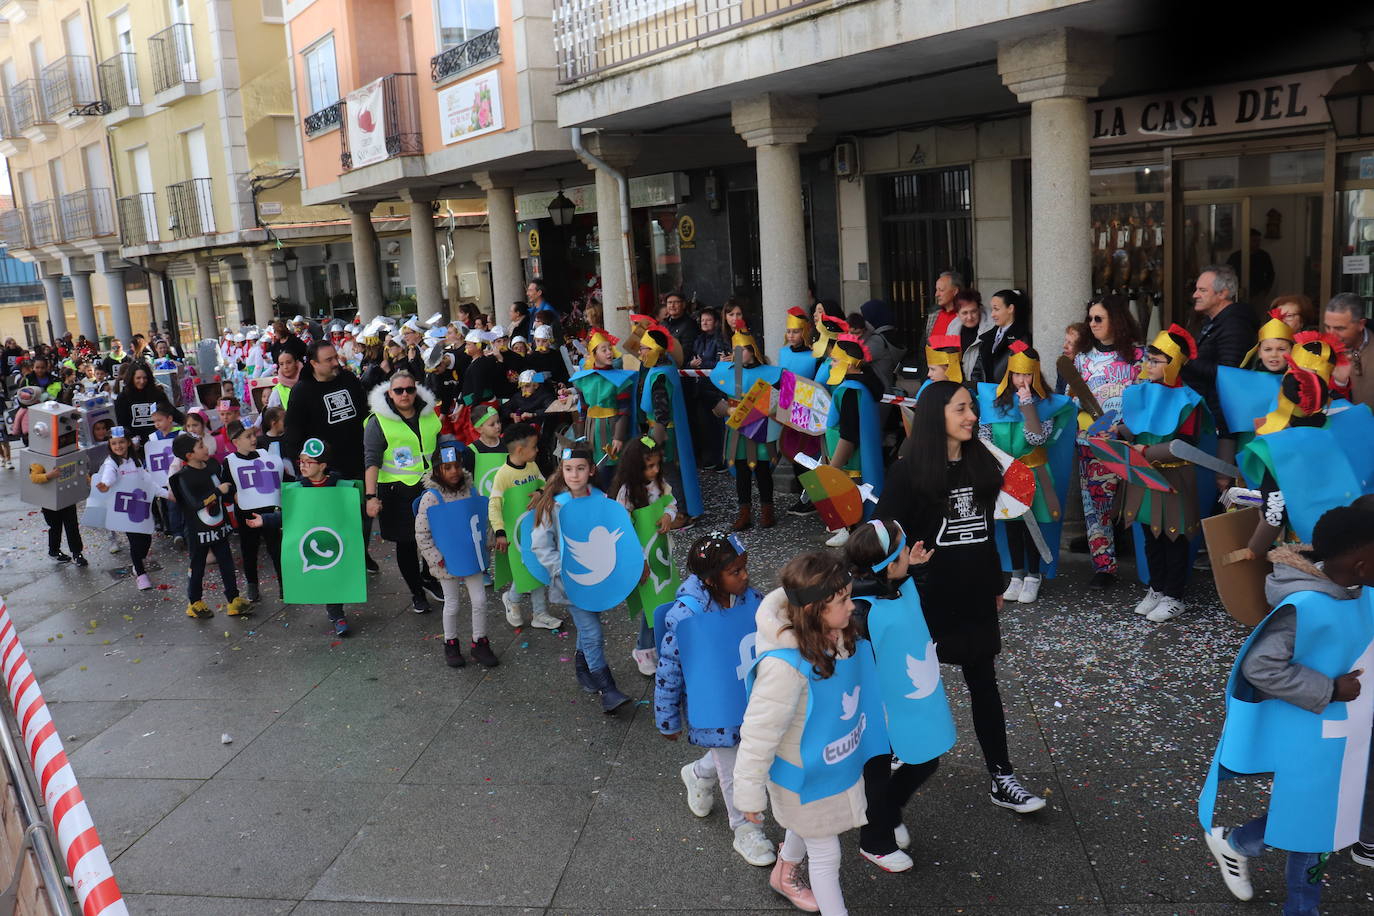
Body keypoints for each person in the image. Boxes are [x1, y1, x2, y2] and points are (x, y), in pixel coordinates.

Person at [877, 381, 1046, 814]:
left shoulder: (983, 465)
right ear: (937, 416)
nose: (972, 416)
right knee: (908, 684)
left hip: (972, 592)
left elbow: (987, 534)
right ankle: (896, 765)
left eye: (972, 408)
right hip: (922, 597)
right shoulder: (907, 471)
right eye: (961, 409)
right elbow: (881, 536)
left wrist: (995, 585)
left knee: (984, 682)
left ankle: (1001, 775)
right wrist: (906, 565)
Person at [1200, 500, 1374, 915]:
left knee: (1335, 811)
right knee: (1316, 820)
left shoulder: (1359, 593)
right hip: (1319, 730)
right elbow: (1260, 666)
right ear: (1363, 565)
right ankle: (1299, 906)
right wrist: (1328, 687)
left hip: (1352, 728)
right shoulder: (1306, 606)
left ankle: (1239, 842)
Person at [734, 551, 883, 915]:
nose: (852, 606)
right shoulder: (784, 668)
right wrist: (749, 795)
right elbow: (758, 733)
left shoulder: (838, 635)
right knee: (826, 853)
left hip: (830, 762)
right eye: (843, 599)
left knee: (807, 826)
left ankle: (784, 873)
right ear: (816, 609)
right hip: (802, 773)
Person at [656, 533, 773, 868]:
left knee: (741, 755)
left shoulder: (752, 600)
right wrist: (667, 717)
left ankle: (698, 773)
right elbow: (670, 667)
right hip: (716, 707)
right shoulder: (686, 615)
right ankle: (745, 829)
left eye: (743, 568)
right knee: (735, 769)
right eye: (736, 572)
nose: (745, 576)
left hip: (749, 696)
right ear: (710, 580)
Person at [845, 519, 948, 873]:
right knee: (876, 772)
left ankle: (887, 813)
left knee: (926, 756)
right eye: (904, 551)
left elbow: (911, 609)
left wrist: (913, 570)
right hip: (878, 709)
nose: (910, 551)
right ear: (888, 565)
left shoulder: (893, 583)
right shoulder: (861, 609)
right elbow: (855, 664)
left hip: (908, 700)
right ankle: (875, 842)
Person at [1117, 326, 1210, 623]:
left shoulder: (1189, 400)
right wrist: (1117, 431)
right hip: (1144, 476)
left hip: (1174, 478)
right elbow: (1135, 426)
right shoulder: (1140, 392)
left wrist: (1147, 452)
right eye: (1148, 359)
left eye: (1156, 360)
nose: (1148, 365)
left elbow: (1185, 445)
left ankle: (1174, 595)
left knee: (1174, 536)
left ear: (1174, 364)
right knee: (1149, 533)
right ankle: (1156, 588)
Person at [529, 446, 632, 712]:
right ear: (561, 471)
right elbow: (541, 544)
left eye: (581, 468)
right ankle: (607, 688)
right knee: (592, 631)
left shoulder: (600, 498)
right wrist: (559, 571)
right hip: (569, 583)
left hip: (597, 581)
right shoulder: (554, 505)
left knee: (589, 626)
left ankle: (582, 665)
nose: (574, 475)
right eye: (568, 469)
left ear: (592, 469)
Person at [978, 343, 1074, 603]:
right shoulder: (993, 401)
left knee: (1033, 526)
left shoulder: (1047, 404)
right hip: (1005, 472)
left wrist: (1028, 406)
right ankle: (1017, 575)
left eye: (1027, 374)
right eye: (1017, 374)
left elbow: (1036, 437)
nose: (1022, 380)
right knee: (1011, 525)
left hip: (1034, 472)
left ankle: (1034, 576)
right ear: (1009, 373)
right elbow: (984, 436)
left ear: (1036, 374)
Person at [1071, 293, 1144, 589]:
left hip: (1131, 441)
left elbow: (1146, 400)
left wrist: (1125, 429)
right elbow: (1070, 399)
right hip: (1091, 442)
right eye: (1090, 319)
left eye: (1098, 318)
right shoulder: (1081, 358)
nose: (1092, 324)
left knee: (1139, 505)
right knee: (1096, 506)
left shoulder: (1139, 356)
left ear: (1117, 319)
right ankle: (1104, 567)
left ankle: (1150, 567)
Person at [247, 439, 353, 637]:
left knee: (334, 575)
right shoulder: (297, 489)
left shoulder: (338, 483)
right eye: (301, 461)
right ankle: (334, 612)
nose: (303, 465)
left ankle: (336, 614)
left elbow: (351, 507)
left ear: (322, 466)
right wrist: (265, 520)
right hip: (311, 541)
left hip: (334, 538)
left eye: (308, 461)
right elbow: (288, 515)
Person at [415, 440, 498, 668]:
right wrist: (436, 558)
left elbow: (482, 521)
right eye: (447, 467)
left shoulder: (471, 491)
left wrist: (487, 543)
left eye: (456, 466)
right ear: (437, 470)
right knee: (452, 603)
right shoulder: (431, 498)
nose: (453, 472)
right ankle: (450, 643)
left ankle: (479, 642)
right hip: (445, 560)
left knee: (480, 600)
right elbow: (422, 534)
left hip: (470, 556)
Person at [364, 371, 442, 614]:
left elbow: (437, 449)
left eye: (409, 389)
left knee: (436, 537)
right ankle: (416, 592)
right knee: (407, 543)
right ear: (390, 393)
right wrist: (370, 496)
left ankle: (428, 577)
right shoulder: (378, 421)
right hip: (396, 490)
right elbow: (371, 460)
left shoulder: (429, 415)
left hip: (430, 485)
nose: (405, 394)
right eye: (399, 390)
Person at [1181, 265, 1256, 488]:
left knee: (1221, 485)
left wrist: (1185, 361)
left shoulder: (1234, 323)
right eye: (1196, 289)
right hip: (1209, 415)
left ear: (1222, 293)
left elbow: (1229, 375)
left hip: (1221, 420)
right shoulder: (1213, 321)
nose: (1195, 295)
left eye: (1202, 290)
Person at [610, 436, 678, 675]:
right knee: (652, 602)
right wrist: (638, 561)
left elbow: (672, 502)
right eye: (649, 466)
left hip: (661, 553)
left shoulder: (660, 484)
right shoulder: (627, 493)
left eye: (657, 464)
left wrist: (669, 515)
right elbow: (622, 527)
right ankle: (643, 648)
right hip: (641, 557)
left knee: (664, 599)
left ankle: (658, 645)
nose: (655, 470)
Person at [489, 422, 561, 631]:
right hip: (514, 535)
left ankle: (540, 613)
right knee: (524, 571)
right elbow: (494, 505)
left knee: (537, 569)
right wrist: (500, 532)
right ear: (520, 450)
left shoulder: (531, 466)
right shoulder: (503, 475)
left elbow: (543, 483)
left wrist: (540, 493)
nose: (538, 450)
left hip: (535, 530)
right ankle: (511, 599)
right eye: (534, 446)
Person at [708, 325, 781, 531]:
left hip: (760, 426)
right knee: (741, 470)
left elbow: (780, 398)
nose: (739, 354)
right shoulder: (727, 372)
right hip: (737, 427)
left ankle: (768, 510)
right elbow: (712, 397)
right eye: (736, 350)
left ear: (754, 350)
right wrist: (723, 409)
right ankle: (745, 513)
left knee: (763, 469)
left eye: (744, 349)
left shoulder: (770, 373)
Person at [170, 433, 249, 620]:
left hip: (218, 527)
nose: (205, 448)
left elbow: (223, 488)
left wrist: (231, 494)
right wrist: (218, 492)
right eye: (200, 446)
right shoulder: (183, 477)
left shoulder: (213, 465)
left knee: (227, 564)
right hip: (198, 532)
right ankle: (194, 602)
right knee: (197, 566)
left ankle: (233, 599)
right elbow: (195, 503)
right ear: (189, 455)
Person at [821, 333, 886, 547]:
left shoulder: (851, 391)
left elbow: (849, 436)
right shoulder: (859, 386)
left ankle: (850, 532)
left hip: (851, 463)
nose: (831, 364)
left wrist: (833, 468)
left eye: (835, 360)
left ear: (849, 364)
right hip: (852, 460)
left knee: (851, 501)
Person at [93, 427, 162, 590]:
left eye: (121, 442)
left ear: (128, 443)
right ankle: (140, 573)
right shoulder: (111, 463)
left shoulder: (135, 460)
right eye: (114, 444)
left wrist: (165, 493)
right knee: (135, 541)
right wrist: (106, 484)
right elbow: (108, 476)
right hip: (124, 509)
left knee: (146, 539)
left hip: (141, 505)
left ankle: (139, 562)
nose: (118, 446)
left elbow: (147, 479)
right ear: (110, 446)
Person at [225, 421, 284, 603]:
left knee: (276, 548)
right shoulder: (229, 461)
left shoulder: (265, 454)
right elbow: (227, 487)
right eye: (248, 437)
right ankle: (252, 584)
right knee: (249, 550)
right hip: (246, 513)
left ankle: (285, 584)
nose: (253, 439)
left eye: (253, 435)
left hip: (268, 512)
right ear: (236, 442)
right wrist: (234, 495)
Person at [570, 329, 635, 487]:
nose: (609, 353)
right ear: (594, 354)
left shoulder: (619, 380)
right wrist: (580, 437)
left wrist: (618, 437)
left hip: (612, 427)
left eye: (609, 349)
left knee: (614, 471)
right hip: (592, 429)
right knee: (595, 469)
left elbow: (624, 410)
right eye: (603, 349)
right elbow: (583, 410)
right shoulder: (584, 380)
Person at [971, 289, 1029, 385]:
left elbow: (1020, 371)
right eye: (992, 309)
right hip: (986, 394)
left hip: (1007, 395)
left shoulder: (1020, 338)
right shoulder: (988, 337)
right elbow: (977, 371)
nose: (992, 314)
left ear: (1010, 308)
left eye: (996, 309)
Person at [1324, 291, 1372, 406]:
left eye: (1339, 328)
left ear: (1361, 324)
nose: (1331, 335)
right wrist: (1340, 383)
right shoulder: (1320, 351)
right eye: (1327, 327)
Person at [114, 364, 181, 435]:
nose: (142, 381)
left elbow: (172, 412)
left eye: (145, 378)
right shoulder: (123, 397)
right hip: (135, 440)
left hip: (157, 438)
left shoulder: (158, 394)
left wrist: (187, 422)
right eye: (138, 378)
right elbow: (121, 423)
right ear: (131, 378)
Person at [1226, 229, 1276, 306]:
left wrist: (1265, 290)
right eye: (1254, 240)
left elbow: (1270, 274)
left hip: (1258, 294)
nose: (1257, 243)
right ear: (1247, 240)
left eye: (1258, 241)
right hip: (1238, 294)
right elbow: (1227, 274)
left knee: (1256, 315)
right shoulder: (1236, 256)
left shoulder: (1263, 256)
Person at [1240, 308, 1296, 373]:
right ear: (1259, 352)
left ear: (1292, 351)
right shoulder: (1249, 379)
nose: (1274, 355)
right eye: (1268, 349)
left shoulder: (1301, 381)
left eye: (1281, 349)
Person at [924, 270, 963, 344]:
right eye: (936, 290)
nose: (936, 294)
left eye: (941, 290)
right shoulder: (933, 314)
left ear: (955, 291)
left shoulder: (967, 315)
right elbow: (924, 346)